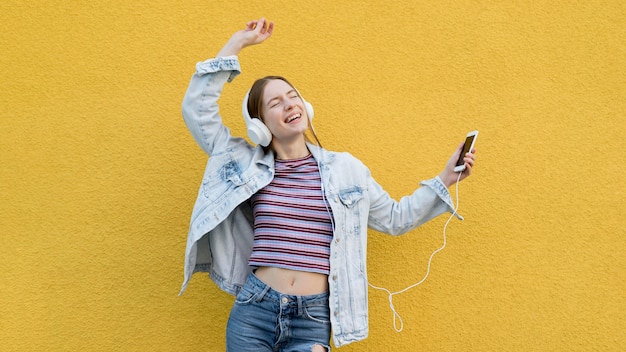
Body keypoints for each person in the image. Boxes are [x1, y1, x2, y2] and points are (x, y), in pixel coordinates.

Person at [179, 18, 476, 351]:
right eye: (275, 103)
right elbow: (197, 110)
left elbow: (396, 218)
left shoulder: (346, 169)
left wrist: (446, 179)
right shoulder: (243, 163)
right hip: (254, 311)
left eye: (293, 97)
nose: (289, 103)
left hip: (313, 319)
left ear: (305, 108)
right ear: (260, 127)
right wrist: (237, 43)